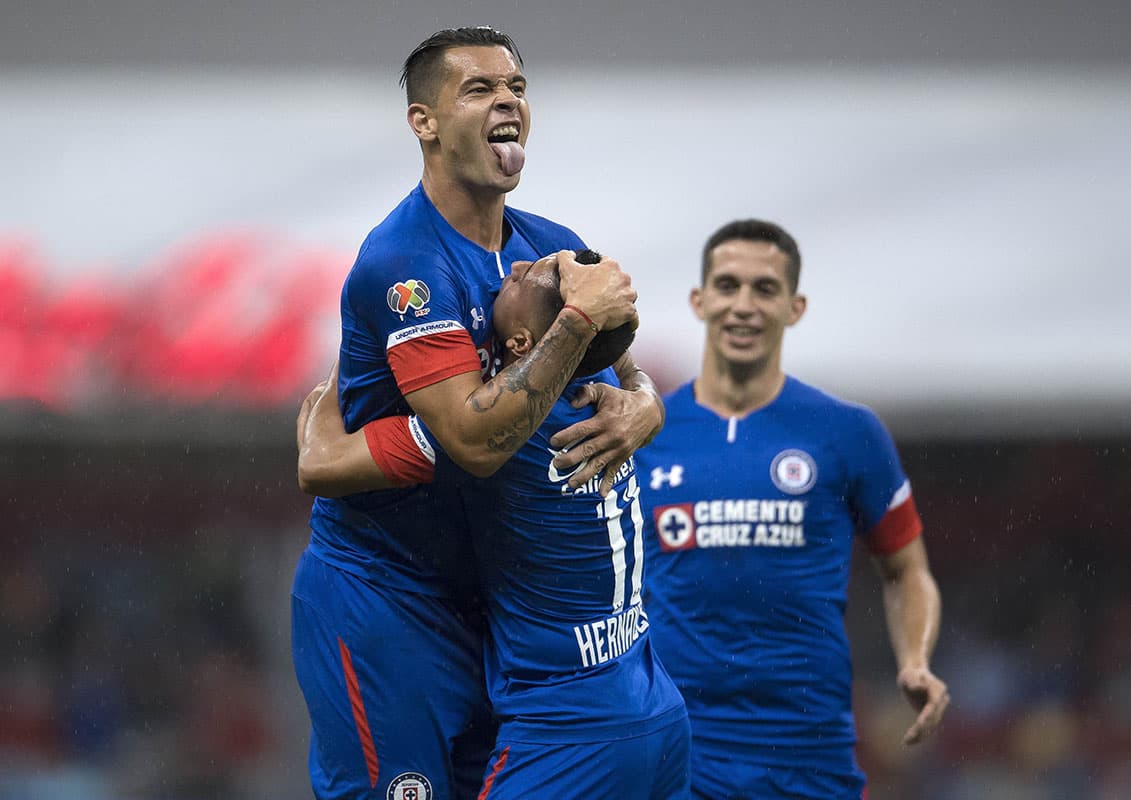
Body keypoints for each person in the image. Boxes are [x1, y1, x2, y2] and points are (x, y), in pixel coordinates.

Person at [290, 27, 664, 800]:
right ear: (423, 121)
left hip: (492, 606)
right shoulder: (405, 265)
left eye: (518, 89)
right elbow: (474, 441)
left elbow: (629, 373)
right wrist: (574, 325)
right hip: (386, 597)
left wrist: (647, 408)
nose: (507, 103)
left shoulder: (550, 245)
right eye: (480, 89)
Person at [298, 250, 689, 799]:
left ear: (528, 345)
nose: (517, 267)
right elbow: (621, 361)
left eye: (532, 277)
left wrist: (337, 382)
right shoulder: (602, 397)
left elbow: (320, 463)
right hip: (652, 703)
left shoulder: (498, 434)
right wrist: (648, 397)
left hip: (568, 732)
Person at [635, 219, 949, 799]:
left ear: (795, 307)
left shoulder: (847, 432)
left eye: (765, 289)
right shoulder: (643, 432)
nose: (744, 306)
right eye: (727, 286)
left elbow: (907, 570)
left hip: (807, 749)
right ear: (699, 301)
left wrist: (915, 660)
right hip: (677, 745)